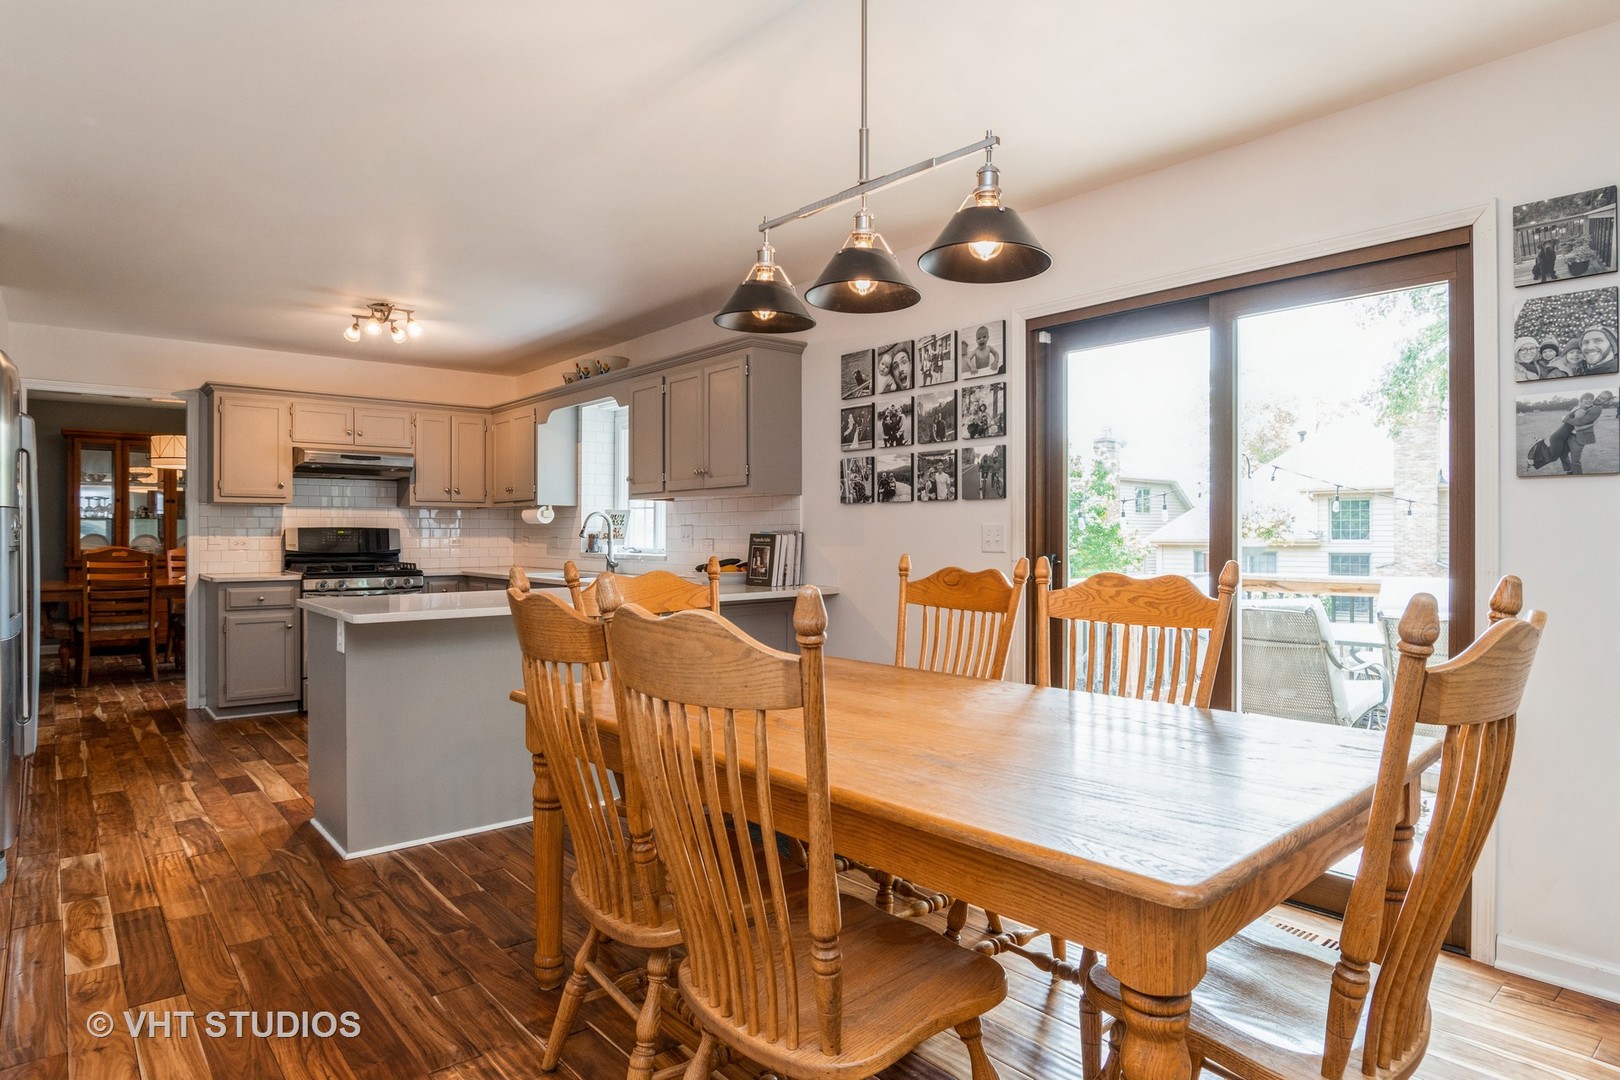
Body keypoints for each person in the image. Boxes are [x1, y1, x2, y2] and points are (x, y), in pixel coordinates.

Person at [1561, 391, 1604, 474]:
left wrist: (1564, 419)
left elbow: (1577, 424)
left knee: (1575, 461)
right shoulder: (1576, 408)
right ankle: (1569, 470)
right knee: (1562, 453)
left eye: (1591, 399)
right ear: (1581, 400)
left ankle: (1579, 478)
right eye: (1586, 398)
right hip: (1568, 435)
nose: (1589, 400)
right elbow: (1571, 421)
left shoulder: (1593, 409)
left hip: (1578, 438)